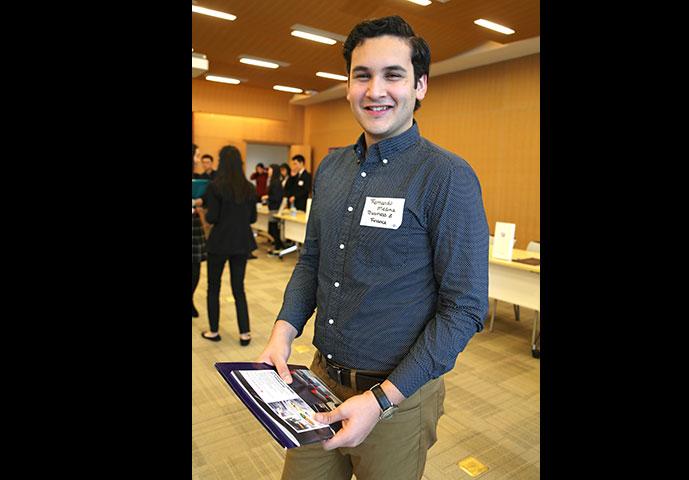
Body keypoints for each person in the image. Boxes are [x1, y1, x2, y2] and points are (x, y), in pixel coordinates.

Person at [256, 15, 489, 480]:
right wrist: (284, 329)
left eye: (393, 75)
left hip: (396, 400)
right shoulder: (333, 168)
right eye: (362, 75)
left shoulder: (446, 177)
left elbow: (464, 308)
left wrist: (381, 399)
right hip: (318, 383)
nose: (374, 90)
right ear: (346, 85)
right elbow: (313, 260)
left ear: (420, 86)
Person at [201, 145, 259, 346]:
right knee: (238, 288)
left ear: (221, 162)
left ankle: (213, 331)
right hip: (242, 243)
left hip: (219, 243)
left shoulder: (215, 187)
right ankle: (245, 333)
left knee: (213, 287)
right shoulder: (249, 188)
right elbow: (252, 218)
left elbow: (212, 217)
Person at [191, 144, 209, 318]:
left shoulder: (196, 177)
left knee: (195, 267)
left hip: (194, 225)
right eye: (196, 156)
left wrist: (199, 200)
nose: (197, 160)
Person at [261, 163, 286, 254]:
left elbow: (276, 196)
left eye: (270, 170)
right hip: (272, 207)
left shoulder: (276, 182)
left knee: (273, 228)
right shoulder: (273, 181)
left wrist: (267, 197)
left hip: (275, 208)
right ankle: (278, 244)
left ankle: (278, 245)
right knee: (272, 228)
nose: (268, 171)